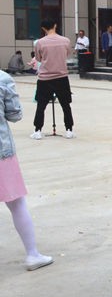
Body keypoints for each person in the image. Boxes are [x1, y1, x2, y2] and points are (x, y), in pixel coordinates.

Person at [1, 70, 53, 271]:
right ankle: (32, 254)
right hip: (2, 152)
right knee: (16, 204)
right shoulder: (3, 79)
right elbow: (15, 115)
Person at [31, 19, 74, 140]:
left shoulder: (40, 42)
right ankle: (69, 130)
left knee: (41, 105)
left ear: (43, 28)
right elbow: (67, 54)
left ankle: (38, 130)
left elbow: (38, 58)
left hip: (45, 78)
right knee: (65, 105)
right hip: (61, 77)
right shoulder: (65, 40)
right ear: (55, 25)